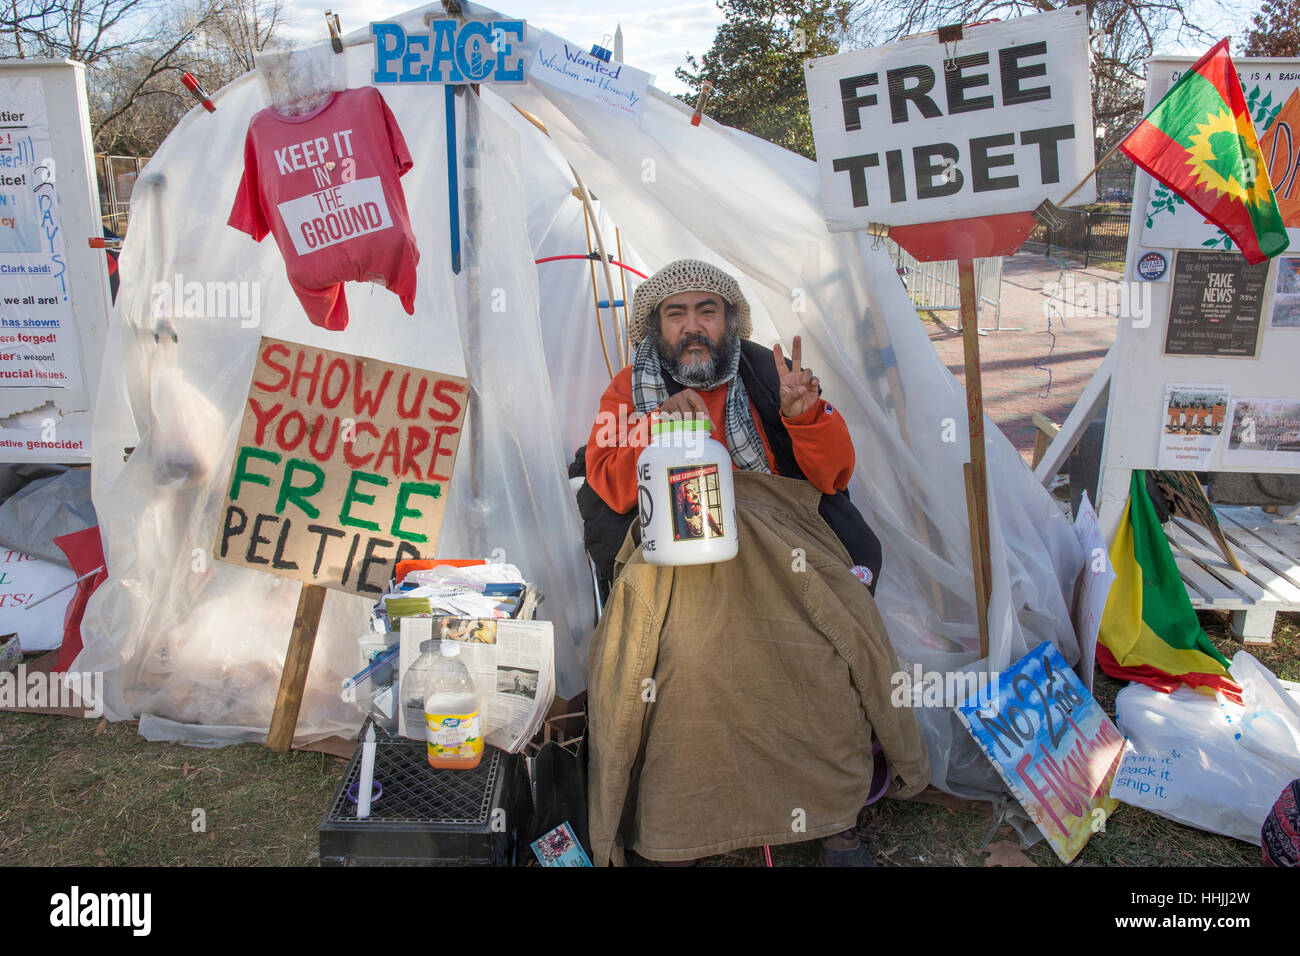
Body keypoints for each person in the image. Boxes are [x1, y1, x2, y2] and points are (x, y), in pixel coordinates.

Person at [578, 260, 921, 866]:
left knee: (822, 649)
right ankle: (677, 831)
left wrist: (803, 417)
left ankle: (835, 823)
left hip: (781, 545)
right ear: (656, 327)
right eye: (676, 313)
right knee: (682, 666)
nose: (692, 327)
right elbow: (607, 481)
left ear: (728, 321)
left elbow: (833, 476)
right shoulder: (628, 389)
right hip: (677, 558)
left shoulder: (770, 373)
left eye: (706, 311)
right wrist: (659, 429)